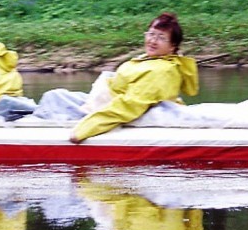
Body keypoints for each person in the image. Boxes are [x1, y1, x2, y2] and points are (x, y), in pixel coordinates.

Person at [33, 12, 198, 143]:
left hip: (104, 108)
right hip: (102, 101)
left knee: (52, 98)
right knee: (55, 96)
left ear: (172, 47)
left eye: (161, 38)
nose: (153, 41)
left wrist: (84, 129)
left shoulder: (160, 71)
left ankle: (19, 116)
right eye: (151, 34)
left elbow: (128, 106)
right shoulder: (157, 60)